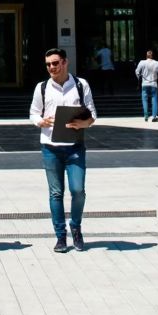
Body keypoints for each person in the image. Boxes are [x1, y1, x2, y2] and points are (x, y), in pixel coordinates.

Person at [28, 48, 98, 253]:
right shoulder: (42, 88)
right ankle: (60, 236)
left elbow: (92, 114)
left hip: (75, 146)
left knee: (78, 191)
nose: (52, 67)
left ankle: (75, 227)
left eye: (55, 63)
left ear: (65, 62)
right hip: (50, 147)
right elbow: (33, 112)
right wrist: (41, 121)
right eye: (48, 64)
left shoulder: (80, 84)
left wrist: (83, 124)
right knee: (56, 193)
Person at [134, 49, 158, 122]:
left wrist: (139, 78)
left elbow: (137, 71)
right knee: (154, 100)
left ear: (146, 56)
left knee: (144, 100)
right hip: (153, 84)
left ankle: (146, 116)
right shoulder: (156, 63)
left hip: (144, 84)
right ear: (152, 56)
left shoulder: (142, 62)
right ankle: (154, 117)